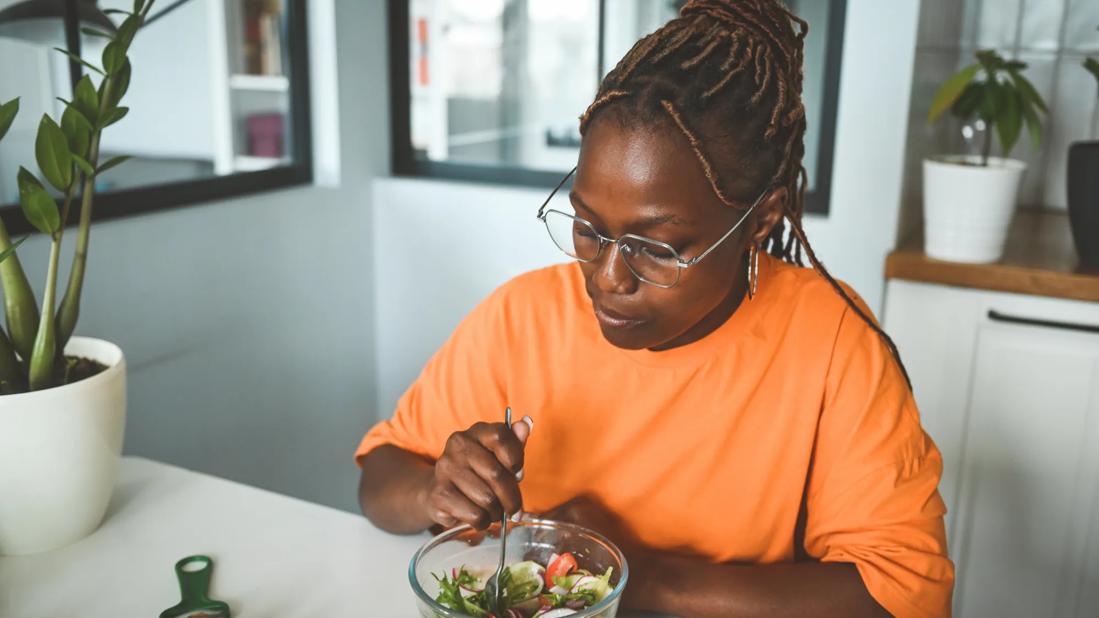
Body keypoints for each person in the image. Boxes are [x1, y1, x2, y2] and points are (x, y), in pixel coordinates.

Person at [357, 1, 953, 615]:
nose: (608, 278)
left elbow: (902, 597)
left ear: (762, 219)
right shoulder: (524, 315)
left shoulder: (831, 342)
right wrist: (437, 490)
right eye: (589, 228)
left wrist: (627, 572)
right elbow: (378, 476)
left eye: (658, 247)